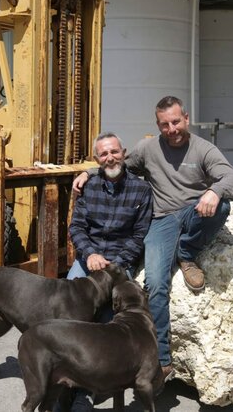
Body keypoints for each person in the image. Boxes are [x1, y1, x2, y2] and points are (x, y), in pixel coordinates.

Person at [73, 96, 233, 381]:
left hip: (193, 213)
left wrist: (214, 191)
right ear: (158, 125)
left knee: (222, 205)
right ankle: (161, 359)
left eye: (176, 121)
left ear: (186, 119)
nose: (172, 128)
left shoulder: (203, 149)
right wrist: (88, 172)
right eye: (165, 124)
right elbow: (117, 164)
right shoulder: (148, 148)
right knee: (154, 282)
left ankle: (187, 253)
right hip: (162, 220)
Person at [64, 131, 153, 412]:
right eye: (103, 154)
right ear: (96, 158)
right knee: (69, 306)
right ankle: (63, 378)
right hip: (89, 258)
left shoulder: (141, 190)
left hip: (118, 264)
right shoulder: (88, 187)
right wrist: (89, 254)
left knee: (107, 318)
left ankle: (88, 389)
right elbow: (76, 227)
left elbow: (139, 235)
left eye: (114, 151)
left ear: (124, 152)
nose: (110, 157)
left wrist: (115, 264)